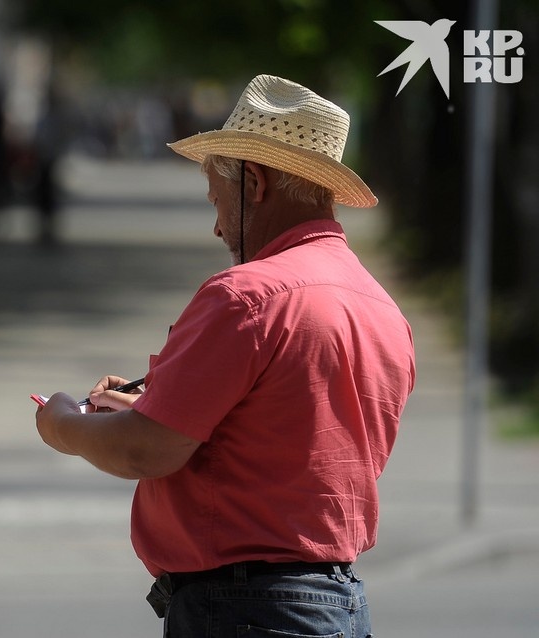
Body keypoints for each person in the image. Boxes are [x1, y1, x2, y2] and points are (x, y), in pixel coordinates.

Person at [34, 74, 416, 638]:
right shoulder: (382, 309)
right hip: (335, 601)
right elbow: (288, 439)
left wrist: (61, 422)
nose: (217, 225)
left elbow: (145, 451)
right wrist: (156, 405)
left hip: (248, 607)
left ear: (255, 182)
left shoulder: (246, 296)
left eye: (218, 199)